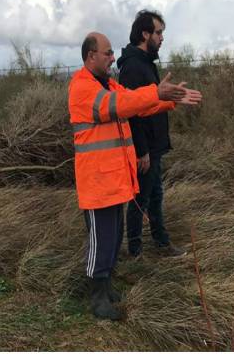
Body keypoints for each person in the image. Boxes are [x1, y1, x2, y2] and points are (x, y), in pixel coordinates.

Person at [68, 31, 201, 320]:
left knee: (114, 238)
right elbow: (119, 105)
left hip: (114, 180)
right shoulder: (83, 88)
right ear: (91, 56)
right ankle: (97, 297)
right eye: (107, 53)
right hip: (98, 182)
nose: (112, 57)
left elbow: (133, 102)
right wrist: (157, 92)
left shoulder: (107, 85)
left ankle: (107, 288)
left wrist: (169, 100)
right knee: (101, 240)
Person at [117, 10, 183, 257]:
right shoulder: (133, 67)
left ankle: (161, 243)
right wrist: (141, 150)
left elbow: (150, 105)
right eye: (158, 32)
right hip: (145, 149)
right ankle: (135, 253)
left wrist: (174, 99)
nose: (162, 38)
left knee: (155, 196)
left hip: (154, 146)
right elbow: (131, 112)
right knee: (139, 201)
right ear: (145, 34)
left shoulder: (145, 63)